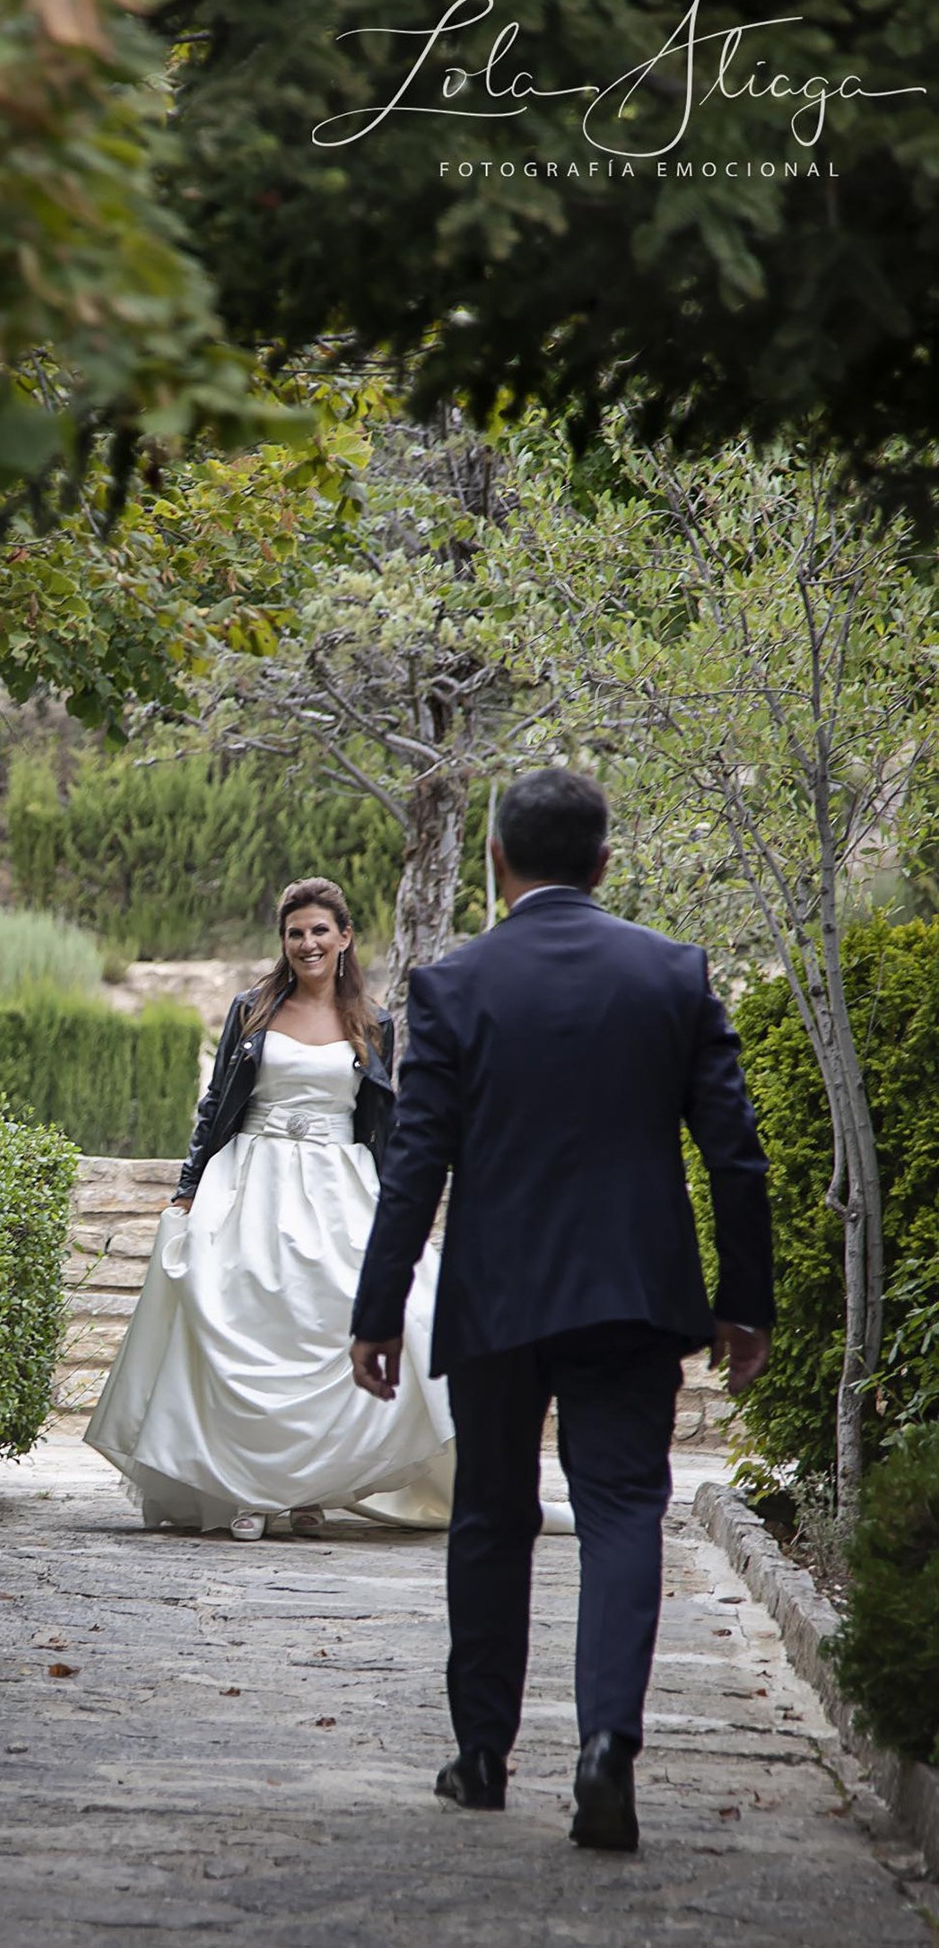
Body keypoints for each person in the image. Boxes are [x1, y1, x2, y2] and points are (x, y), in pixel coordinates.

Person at [350, 769, 774, 1853]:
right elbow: (734, 1153)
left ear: (495, 859)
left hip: (497, 1293)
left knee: (490, 1514)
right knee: (622, 1510)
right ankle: (605, 1748)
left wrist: (378, 1307)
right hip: (633, 1294)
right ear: (603, 862)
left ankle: (482, 1757)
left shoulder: (453, 985)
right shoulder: (671, 972)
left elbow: (414, 1162)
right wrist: (744, 1302)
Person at [87, 877, 578, 1541]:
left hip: (337, 1186)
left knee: (357, 1316)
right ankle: (246, 1491)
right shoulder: (250, 1010)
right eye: (295, 933)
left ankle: (311, 1491)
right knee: (246, 1322)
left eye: (320, 930)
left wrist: (402, 1203)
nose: (307, 943)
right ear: (283, 941)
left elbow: (382, 1119)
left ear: (345, 937)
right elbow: (217, 1104)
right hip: (250, 1181)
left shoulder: (372, 1022)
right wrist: (188, 1186)